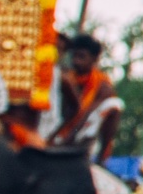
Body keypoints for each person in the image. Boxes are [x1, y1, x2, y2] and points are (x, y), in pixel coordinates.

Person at [38, 31, 121, 162]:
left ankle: (100, 160)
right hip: (55, 130)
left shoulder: (103, 86)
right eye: (74, 56)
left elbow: (84, 114)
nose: (76, 61)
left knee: (115, 105)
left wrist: (64, 142)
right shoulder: (67, 77)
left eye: (82, 57)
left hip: (82, 135)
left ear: (94, 59)